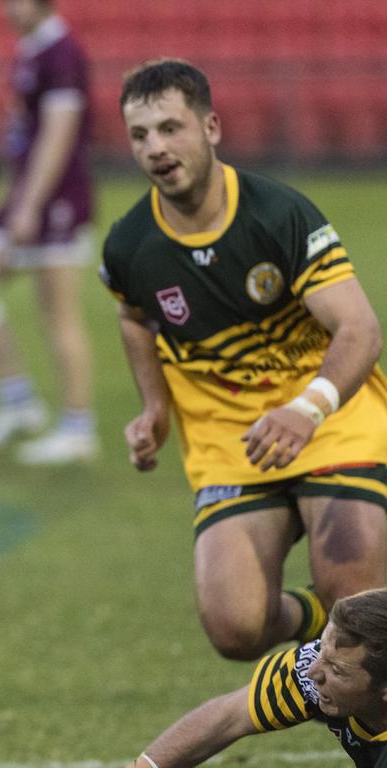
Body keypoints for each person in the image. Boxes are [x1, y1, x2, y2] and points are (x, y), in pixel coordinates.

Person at [100, 59, 387, 661]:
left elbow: (359, 329)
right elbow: (134, 317)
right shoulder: (130, 246)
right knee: (236, 629)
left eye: (171, 128)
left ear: (211, 127)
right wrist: (155, 407)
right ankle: (314, 616)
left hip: (331, 422)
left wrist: (305, 411)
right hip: (229, 440)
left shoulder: (278, 214)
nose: (156, 147)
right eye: (140, 135)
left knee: (357, 606)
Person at [0, 0, 98, 464]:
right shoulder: (31, 50)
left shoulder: (61, 52)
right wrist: (6, 198)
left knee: (59, 314)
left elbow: (58, 135)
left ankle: (78, 428)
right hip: (26, 198)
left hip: (56, 203)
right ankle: (19, 403)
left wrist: (30, 205)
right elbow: (25, 138)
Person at [124, 588, 387, 768]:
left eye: (336, 670)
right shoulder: (324, 661)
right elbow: (229, 717)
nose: (313, 673)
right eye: (321, 651)